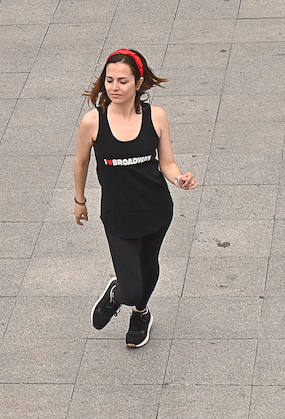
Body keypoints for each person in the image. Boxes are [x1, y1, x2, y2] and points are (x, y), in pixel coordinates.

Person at [74, 48, 196, 349]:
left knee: (148, 264)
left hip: (156, 209)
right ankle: (119, 295)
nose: (114, 88)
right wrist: (80, 200)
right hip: (118, 215)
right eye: (109, 80)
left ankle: (141, 315)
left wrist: (179, 178)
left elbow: (167, 163)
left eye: (122, 81)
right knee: (130, 287)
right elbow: (81, 162)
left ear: (138, 84)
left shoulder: (157, 116)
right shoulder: (93, 122)